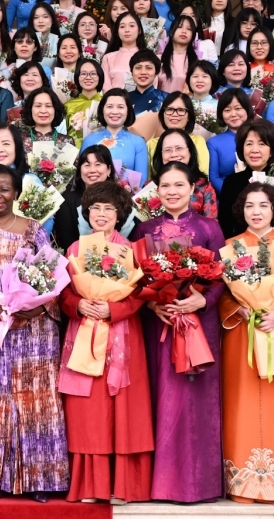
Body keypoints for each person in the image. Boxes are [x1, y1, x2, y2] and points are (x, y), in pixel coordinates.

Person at [0, 166, 69, 501]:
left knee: (36, 402)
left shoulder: (33, 229)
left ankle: (40, 480)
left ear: (17, 194)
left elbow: (51, 271)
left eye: (5, 189)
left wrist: (38, 306)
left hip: (33, 329)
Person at [135, 162, 226, 503]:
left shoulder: (209, 227)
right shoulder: (145, 227)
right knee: (163, 397)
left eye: (179, 185)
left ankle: (199, 484)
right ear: (156, 191)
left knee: (196, 401)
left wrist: (202, 300)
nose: (172, 191)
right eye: (165, 186)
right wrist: (153, 304)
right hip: (161, 324)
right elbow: (136, 278)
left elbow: (221, 275)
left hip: (198, 324)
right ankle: (163, 485)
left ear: (193, 189)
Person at [59, 180, 153, 503]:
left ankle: (124, 486)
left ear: (120, 215)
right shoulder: (74, 249)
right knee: (89, 409)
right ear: (86, 214)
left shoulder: (133, 251)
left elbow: (142, 294)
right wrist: (78, 305)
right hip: (85, 332)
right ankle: (91, 485)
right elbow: (63, 293)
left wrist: (114, 308)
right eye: (95, 208)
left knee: (123, 409)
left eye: (108, 209)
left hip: (123, 334)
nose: (101, 214)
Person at [219, 182, 274, 504]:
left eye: (263, 205)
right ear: (242, 210)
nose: (256, 212)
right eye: (250, 205)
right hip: (241, 334)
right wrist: (238, 308)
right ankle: (242, 483)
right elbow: (223, 295)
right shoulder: (229, 246)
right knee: (239, 400)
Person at [219, 120, 274, 240]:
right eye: (249, 144)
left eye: (262, 144)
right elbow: (225, 224)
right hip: (241, 249)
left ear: (272, 150)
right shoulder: (231, 182)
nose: (254, 150)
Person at [81, 88, 148, 178]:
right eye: (109, 106)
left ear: (128, 111)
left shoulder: (138, 142)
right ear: (102, 110)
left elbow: (141, 181)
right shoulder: (89, 140)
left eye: (120, 107)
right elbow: (83, 176)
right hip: (94, 191)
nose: (115, 112)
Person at [151, 129, 216, 218]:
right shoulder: (150, 187)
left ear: (190, 152)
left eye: (179, 148)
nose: (174, 154)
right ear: (160, 155)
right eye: (167, 150)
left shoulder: (204, 187)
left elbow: (211, 226)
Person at [206, 89, 255, 191]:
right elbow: (214, 177)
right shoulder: (214, 143)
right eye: (227, 110)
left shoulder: (262, 136)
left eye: (238, 108)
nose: (233, 114)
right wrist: (232, 195)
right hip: (228, 198)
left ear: (247, 109)